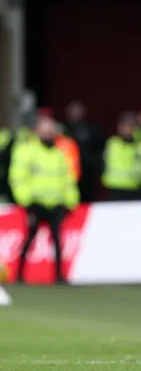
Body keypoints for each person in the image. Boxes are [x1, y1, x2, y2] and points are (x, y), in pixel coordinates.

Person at [9, 116, 79, 284]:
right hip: (35, 203)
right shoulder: (27, 150)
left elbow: (68, 180)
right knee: (29, 239)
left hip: (56, 203)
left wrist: (70, 202)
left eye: (50, 130)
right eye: (45, 129)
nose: (48, 133)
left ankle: (59, 276)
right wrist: (26, 201)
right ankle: (19, 275)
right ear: (37, 131)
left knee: (57, 240)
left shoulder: (60, 154)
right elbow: (18, 177)